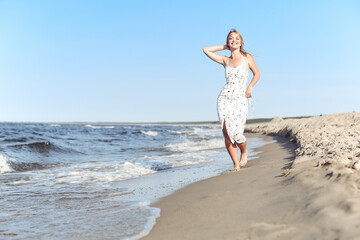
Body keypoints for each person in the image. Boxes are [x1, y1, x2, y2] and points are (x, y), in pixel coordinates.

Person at [203, 28, 260, 171]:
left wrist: (250, 87)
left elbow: (257, 74)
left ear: (241, 42)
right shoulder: (225, 60)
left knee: (237, 133)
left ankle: (244, 151)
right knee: (226, 131)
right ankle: (235, 164)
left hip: (240, 97)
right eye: (230, 38)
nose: (234, 40)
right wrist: (224, 47)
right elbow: (206, 50)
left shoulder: (247, 58)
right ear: (228, 42)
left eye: (236, 38)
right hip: (225, 98)